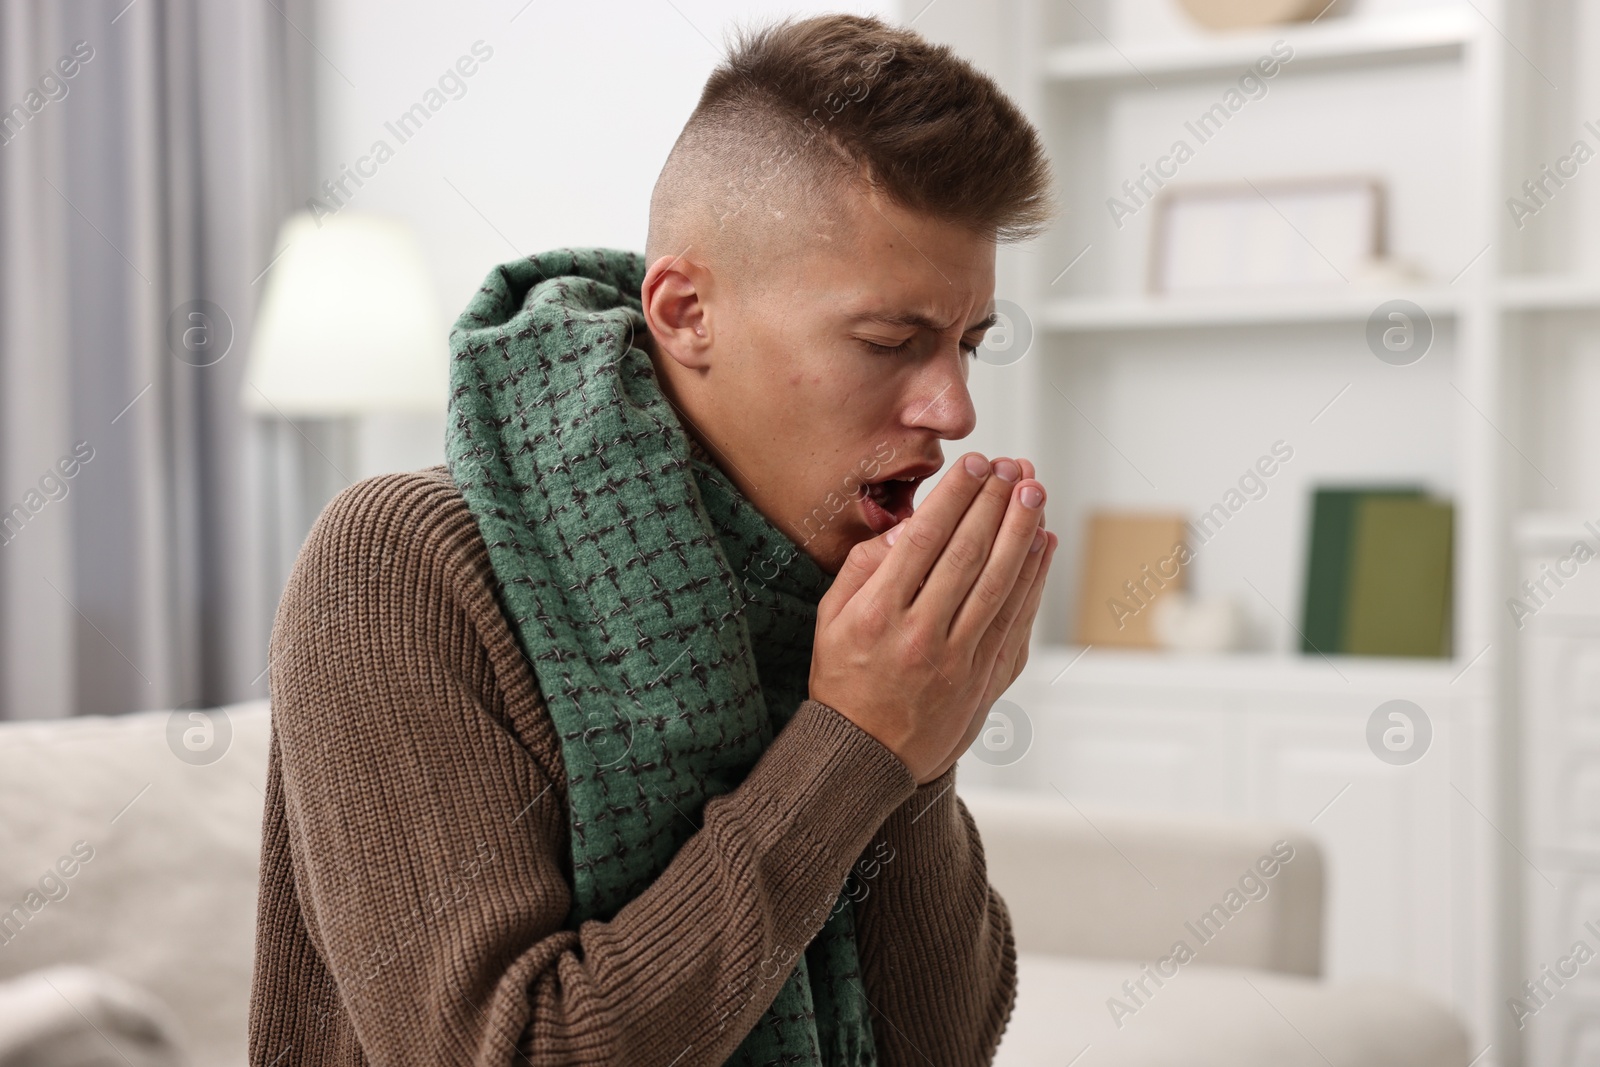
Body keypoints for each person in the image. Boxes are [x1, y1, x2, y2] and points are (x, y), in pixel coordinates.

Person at [248, 13, 1057, 1066]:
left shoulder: (829, 577)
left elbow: (935, 1047)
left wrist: (920, 737)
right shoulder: (399, 563)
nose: (954, 409)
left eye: (967, 343)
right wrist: (854, 743)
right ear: (684, 312)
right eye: (890, 340)